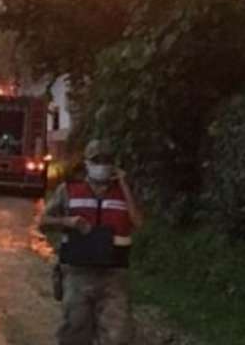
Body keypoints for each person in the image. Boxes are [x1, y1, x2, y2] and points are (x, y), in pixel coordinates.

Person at [40, 139, 144, 345]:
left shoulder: (124, 193)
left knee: (119, 336)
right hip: (78, 274)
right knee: (75, 332)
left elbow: (138, 222)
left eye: (107, 160)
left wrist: (123, 184)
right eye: (97, 160)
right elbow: (43, 222)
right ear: (87, 163)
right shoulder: (68, 190)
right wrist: (68, 221)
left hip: (114, 275)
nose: (102, 165)